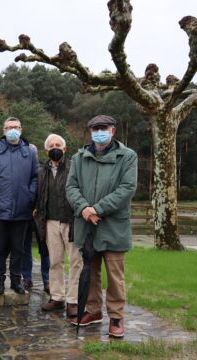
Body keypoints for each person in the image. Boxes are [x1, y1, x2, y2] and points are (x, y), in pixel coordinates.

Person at [66, 115, 137, 338]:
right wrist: (84, 209)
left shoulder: (127, 156)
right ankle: (93, 311)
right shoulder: (79, 157)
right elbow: (71, 187)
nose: (99, 132)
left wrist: (97, 209)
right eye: (95, 128)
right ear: (90, 131)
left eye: (103, 128)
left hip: (113, 226)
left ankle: (116, 317)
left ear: (113, 130)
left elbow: (126, 189)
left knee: (115, 275)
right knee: (90, 272)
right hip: (86, 225)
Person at [0, 117, 38, 294]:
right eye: (9, 127)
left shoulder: (30, 153)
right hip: (0, 210)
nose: (12, 130)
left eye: (15, 127)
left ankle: (16, 280)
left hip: (22, 210)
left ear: (21, 130)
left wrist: (29, 196)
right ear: (4, 130)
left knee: (18, 247)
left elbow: (35, 177)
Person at [36, 134, 82, 317]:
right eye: (51, 145)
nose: (55, 148)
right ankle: (57, 297)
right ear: (46, 150)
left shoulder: (74, 168)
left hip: (71, 221)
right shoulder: (41, 171)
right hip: (50, 222)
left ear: (65, 149)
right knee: (55, 261)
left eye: (58, 145)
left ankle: (73, 300)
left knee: (75, 262)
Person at [22, 143, 50, 294]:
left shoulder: (44, 171)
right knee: (24, 247)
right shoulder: (22, 170)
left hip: (41, 215)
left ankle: (47, 280)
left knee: (44, 249)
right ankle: (26, 277)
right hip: (25, 214)